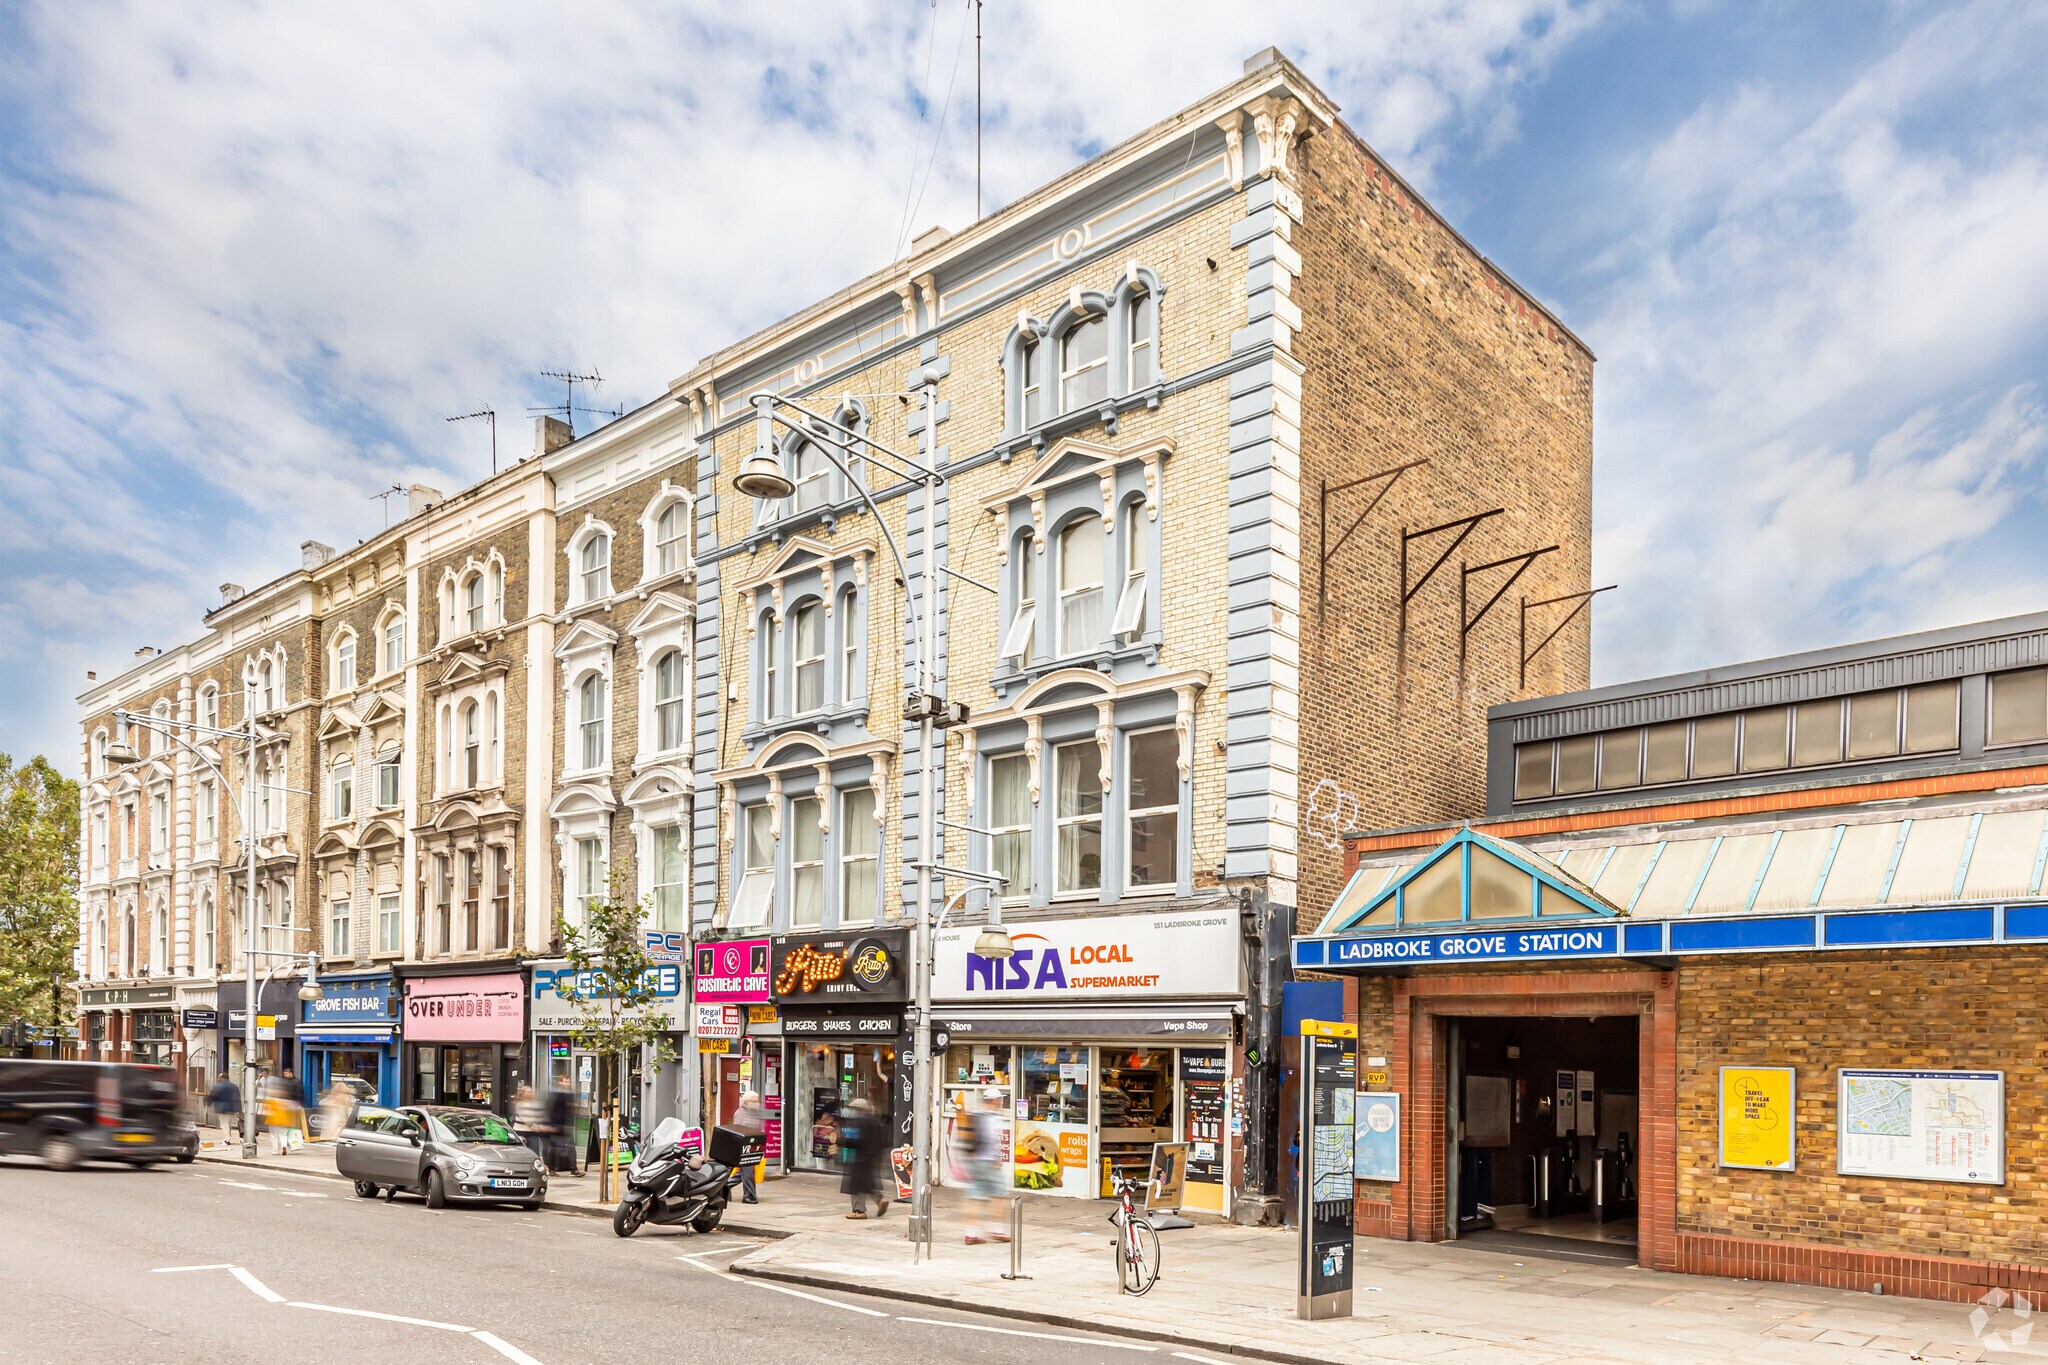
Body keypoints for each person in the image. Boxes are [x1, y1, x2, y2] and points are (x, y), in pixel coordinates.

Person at [963, 1087, 1009, 1245]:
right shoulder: (992, 1117)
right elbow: (991, 1138)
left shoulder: (976, 1114)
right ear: (995, 1101)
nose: (1001, 1102)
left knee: (974, 1197)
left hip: (975, 1161)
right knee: (1000, 1195)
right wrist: (997, 1157)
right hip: (988, 1162)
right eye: (1000, 1100)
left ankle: (970, 1234)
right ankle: (998, 1230)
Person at [840, 1098, 889, 1219]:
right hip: (871, 1158)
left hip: (859, 1158)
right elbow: (882, 1141)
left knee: (856, 1186)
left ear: (858, 1109)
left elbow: (856, 1140)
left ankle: (859, 1211)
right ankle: (880, 1200)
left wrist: (845, 1141)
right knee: (868, 1184)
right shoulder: (874, 1120)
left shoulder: (860, 1121)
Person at [730, 1088, 768, 1204]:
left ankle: (723, 1186)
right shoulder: (740, 1113)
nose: (757, 1103)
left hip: (753, 1147)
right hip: (744, 1147)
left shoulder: (753, 1114)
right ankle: (749, 1197)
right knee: (748, 1172)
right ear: (747, 1102)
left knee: (742, 1173)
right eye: (754, 1101)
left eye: (758, 1101)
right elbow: (739, 1131)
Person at [512, 1084, 546, 1158]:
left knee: (535, 1152)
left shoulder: (534, 1103)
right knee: (522, 1152)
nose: (530, 1093)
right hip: (521, 1131)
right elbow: (526, 1119)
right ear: (523, 1093)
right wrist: (537, 1128)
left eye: (531, 1092)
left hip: (532, 1132)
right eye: (528, 1092)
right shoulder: (520, 1103)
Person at [206, 1073, 241, 1139]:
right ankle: (228, 1137)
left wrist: (208, 1103)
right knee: (228, 1123)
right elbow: (238, 1098)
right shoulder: (234, 1086)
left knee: (224, 1124)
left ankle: (227, 1139)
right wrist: (239, 1108)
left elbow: (212, 1096)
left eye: (219, 1077)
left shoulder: (219, 1086)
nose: (218, 1079)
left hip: (222, 1109)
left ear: (223, 1078)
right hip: (233, 1108)